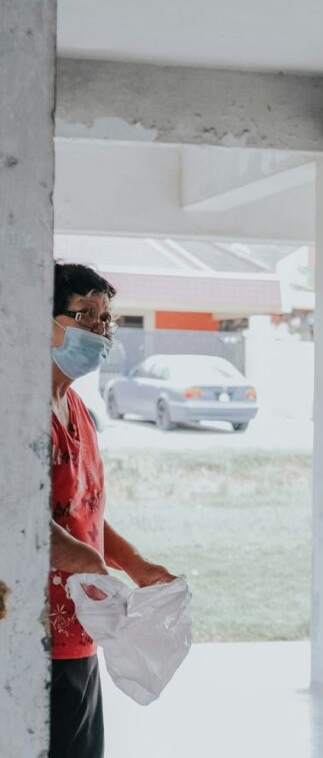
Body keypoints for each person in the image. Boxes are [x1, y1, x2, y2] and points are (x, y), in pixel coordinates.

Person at [49, 263, 176, 758]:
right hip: (31, 632)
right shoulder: (17, 409)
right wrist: (94, 568)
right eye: (85, 315)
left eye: (107, 320)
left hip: (82, 632)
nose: (100, 332)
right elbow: (20, 524)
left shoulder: (79, 409)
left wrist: (136, 566)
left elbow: (84, 513)